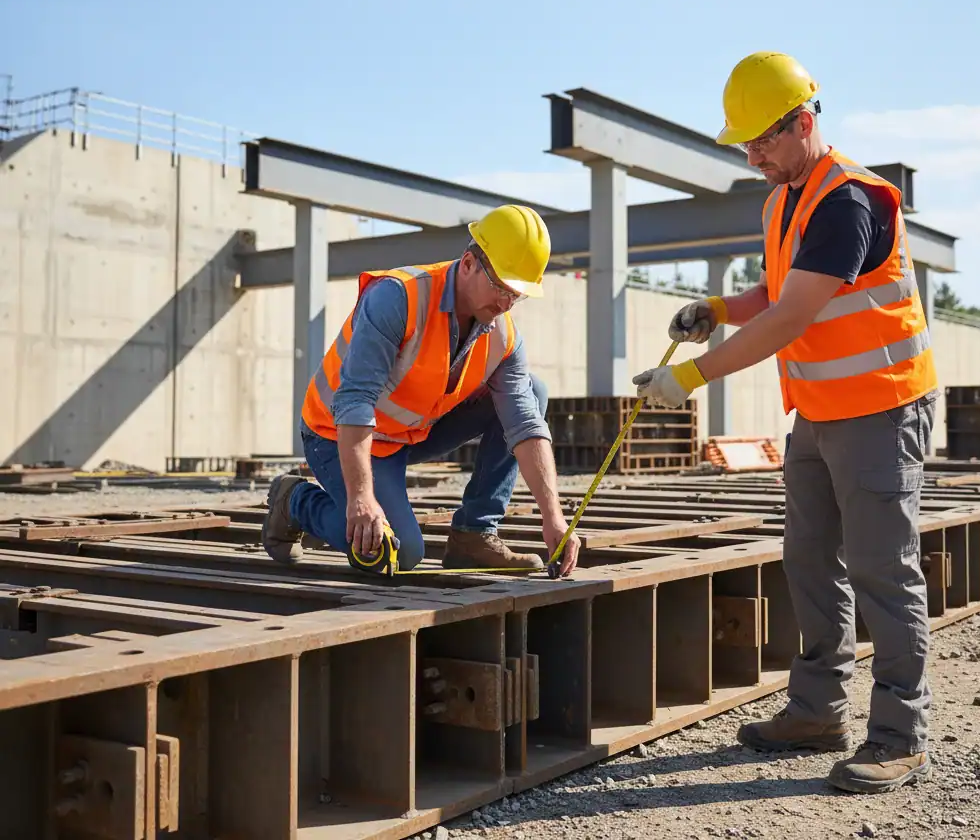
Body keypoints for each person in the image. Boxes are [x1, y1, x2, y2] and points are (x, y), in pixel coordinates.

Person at [633, 52, 939, 795]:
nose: (751, 155)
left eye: (762, 140)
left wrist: (692, 374)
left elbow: (794, 316)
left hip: (881, 408)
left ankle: (899, 735)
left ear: (805, 123)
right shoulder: (785, 198)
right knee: (807, 557)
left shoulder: (849, 202)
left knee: (880, 571)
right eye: (743, 142)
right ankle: (816, 711)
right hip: (820, 411)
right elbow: (778, 289)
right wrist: (718, 309)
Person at [261, 203, 581, 577]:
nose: (507, 303)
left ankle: (474, 534)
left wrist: (554, 519)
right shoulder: (398, 298)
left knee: (532, 391)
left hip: (407, 435)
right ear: (468, 264)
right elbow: (355, 400)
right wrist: (362, 499)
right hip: (334, 434)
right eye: (501, 287)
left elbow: (525, 425)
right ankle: (295, 500)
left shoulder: (503, 336)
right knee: (395, 553)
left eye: (517, 294)